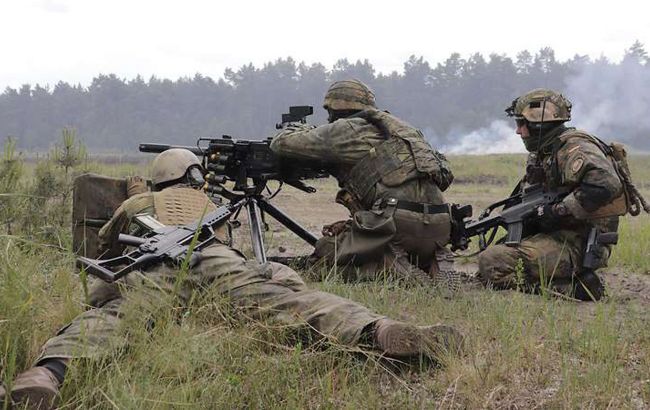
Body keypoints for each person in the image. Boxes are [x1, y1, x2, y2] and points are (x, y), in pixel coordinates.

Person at [0, 149, 464, 409]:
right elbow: (235, 252)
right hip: (219, 263)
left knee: (115, 315)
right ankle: (379, 330)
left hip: (157, 267)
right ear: (196, 177)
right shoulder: (208, 206)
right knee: (291, 300)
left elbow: (100, 252)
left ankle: (48, 372)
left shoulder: (136, 207)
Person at [270, 79, 455, 285]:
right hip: (440, 227)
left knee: (325, 254)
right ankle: (433, 261)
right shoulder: (404, 130)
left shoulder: (347, 129)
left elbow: (281, 144)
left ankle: (388, 267)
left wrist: (292, 127)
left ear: (335, 108)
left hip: (396, 226)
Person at [478, 88, 639, 300]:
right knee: (496, 256)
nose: (519, 132)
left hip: (578, 243)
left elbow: (606, 183)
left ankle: (577, 290)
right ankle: (566, 281)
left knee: (493, 262)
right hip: (555, 237)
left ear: (538, 124)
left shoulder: (574, 147)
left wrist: (558, 210)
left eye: (521, 124)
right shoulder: (544, 153)